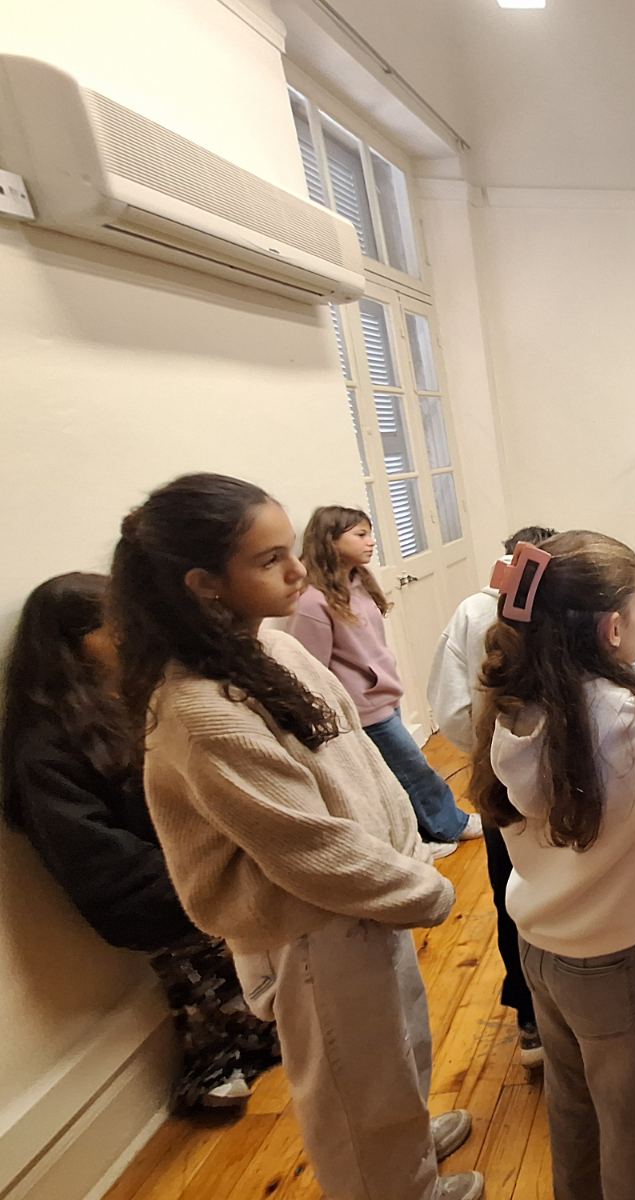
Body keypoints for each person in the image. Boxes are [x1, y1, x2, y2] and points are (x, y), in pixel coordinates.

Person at [108, 473, 481, 1200]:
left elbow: (361, 759)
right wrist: (421, 888)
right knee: (351, 1086)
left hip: (365, 901)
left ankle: (403, 1150)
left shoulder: (273, 651)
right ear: (205, 585)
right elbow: (305, 847)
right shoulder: (198, 711)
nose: (297, 570)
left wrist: (405, 855)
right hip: (313, 924)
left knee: (396, 1048)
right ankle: (393, 1185)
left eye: (290, 550)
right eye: (268, 559)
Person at [472, 530, 635, 1200]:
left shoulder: (513, 704)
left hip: (540, 950)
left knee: (576, 1112)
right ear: (614, 629)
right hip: (616, 963)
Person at [0, 572, 279, 1111]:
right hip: (145, 888)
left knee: (241, 967)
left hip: (179, 867)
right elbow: (94, 857)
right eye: (117, 627)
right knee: (204, 976)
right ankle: (210, 1072)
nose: (132, 637)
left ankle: (251, 1042)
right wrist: (194, 874)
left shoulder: (120, 701)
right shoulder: (44, 749)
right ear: (74, 643)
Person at [427, 522, 556, 1069]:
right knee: (528, 888)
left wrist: (488, 752)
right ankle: (538, 1011)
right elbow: (454, 706)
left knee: (515, 889)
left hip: (502, 778)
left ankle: (535, 1016)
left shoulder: (473, 614)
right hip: (542, 780)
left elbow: (452, 709)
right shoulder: (480, 614)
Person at [290, 505, 479, 855]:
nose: (371, 542)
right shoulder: (313, 603)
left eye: (370, 533)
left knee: (395, 774)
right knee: (414, 769)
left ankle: (422, 835)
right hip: (361, 707)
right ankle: (449, 826)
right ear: (331, 540)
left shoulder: (358, 583)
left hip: (382, 695)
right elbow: (310, 668)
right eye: (360, 535)